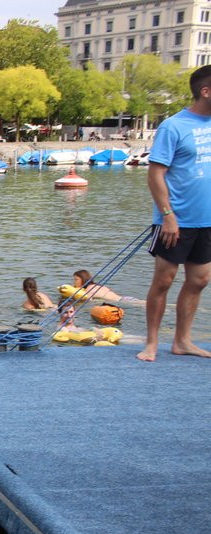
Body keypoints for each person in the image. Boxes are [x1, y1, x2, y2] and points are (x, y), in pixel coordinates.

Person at [138, 65, 211, 362]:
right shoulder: (174, 126)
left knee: (200, 280)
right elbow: (156, 174)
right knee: (164, 280)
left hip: (206, 220)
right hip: (176, 219)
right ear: (206, 91)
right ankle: (152, 343)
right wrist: (167, 214)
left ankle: (182, 341)